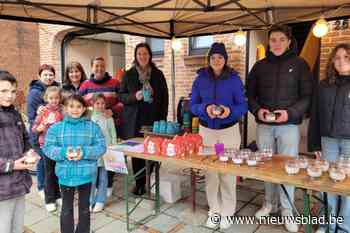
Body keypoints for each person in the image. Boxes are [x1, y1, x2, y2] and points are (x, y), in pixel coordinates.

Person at [247, 25, 313, 232]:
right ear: (269, 42)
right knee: (266, 164)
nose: (276, 43)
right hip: (264, 125)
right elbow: (249, 95)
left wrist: (291, 113)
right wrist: (257, 111)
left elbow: (307, 96)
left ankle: (287, 209)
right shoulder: (259, 66)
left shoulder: (300, 64)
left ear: (289, 41)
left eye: (281, 39)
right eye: (273, 39)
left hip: (288, 126)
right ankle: (269, 203)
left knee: (288, 167)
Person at [190, 42, 248, 230]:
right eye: (213, 57)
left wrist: (228, 111)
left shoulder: (234, 79)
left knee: (227, 173)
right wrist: (204, 109)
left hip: (228, 132)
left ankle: (228, 212)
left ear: (225, 59)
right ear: (209, 59)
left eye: (220, 57)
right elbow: (192, 105)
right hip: (207, 132)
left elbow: (243, 106)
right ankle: (214, 211)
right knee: (211, 174)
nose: (216, 60)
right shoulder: (200, 79)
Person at [43, 94, 106, 233]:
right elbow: (48, 148)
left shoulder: (93, 127)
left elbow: (101, 147)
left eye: (79, 106)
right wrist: (64, 153)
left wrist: (84, 152)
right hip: (65, 174)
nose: (75, 109)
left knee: (85, 208)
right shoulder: (56, 128)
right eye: (71, 106)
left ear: (84, 108)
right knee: (66, 209)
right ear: (64, 108)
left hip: (86, 174)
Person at [308, 43, 350, 233]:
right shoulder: (324, 85)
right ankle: (328, 223)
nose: (341, 61)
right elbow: (315, 115)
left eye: (346, 57)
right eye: (338, 57)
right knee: (329, 182)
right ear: (332, 61)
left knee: (347, 185)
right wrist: (315, 143)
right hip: (328, 141)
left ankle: (344, 227)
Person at [119, 42, 169, 196]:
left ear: (150, 56)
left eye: (145, 54)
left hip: (153, 118)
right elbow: (121, 96)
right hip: (135, 120)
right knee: (137, 153)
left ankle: (150, 178)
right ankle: (139, 182)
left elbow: (165, 97)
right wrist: (135, 96)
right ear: (136, 56)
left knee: (153, 151)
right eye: (139, 54)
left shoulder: (158, 74)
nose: (142, 56)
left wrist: (163, 118)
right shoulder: (128, 74)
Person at [0, 70, 40, 233]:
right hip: (2, 189)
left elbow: (25, 139)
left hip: (19, 183)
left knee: (16, 228)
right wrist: (11, 165)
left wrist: (29, 152)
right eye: (3, 91)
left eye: (13, 91)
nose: (9, 96)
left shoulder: (15, 114)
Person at [79, 57, 123, 197]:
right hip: (93, 128)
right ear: (92, 67)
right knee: (97, 162)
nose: (99, 68)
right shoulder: (85, 85)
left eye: (102, 66)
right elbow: (78, 103)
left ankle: (109, 184)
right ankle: (99, 185)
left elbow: (123, 102)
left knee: (110, 159)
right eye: (96, 66)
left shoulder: (115, 83)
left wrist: (113, 110)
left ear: (105, 67)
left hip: (111, 127)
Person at [26, 64, 59, 198]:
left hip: (52, 135)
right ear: (39, 76)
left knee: (49, 164)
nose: (48, 77)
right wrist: (42, 118)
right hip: (39, 134)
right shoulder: (34, 92)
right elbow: (31, 116)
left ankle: (51, 188)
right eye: (45, 74)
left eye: (51, 74)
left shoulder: (56, 89)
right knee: (42, 162)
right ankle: (41, 187)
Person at [32, 86, 64, 212]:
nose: (54, 100)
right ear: (46, 98)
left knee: (57, 172)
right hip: (46, 145)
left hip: (58, 146)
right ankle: (49, 199)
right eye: (51, 98)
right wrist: (39, 128)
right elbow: (34, 127)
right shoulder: (43, 111)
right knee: (49, 173)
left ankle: (57, 195)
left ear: (59, 99)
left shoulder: (61, 112)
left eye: (56, 98)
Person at [90, 93, 117, 212]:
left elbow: (113, 134)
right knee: (92, 177)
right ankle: (90, 200)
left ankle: (100, 200)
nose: (100, 106)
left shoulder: (108, 118)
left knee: (103, 177)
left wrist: (114, 148)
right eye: (97, 103)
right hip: (93, 152)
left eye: (102, 103)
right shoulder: (89, 118)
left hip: (106, 151)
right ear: (93, 104)